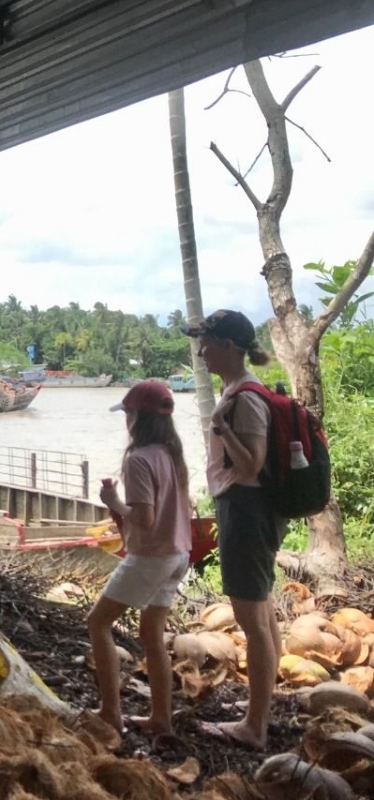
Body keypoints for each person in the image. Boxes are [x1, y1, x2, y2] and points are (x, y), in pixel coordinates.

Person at [183, 308, 280, 750]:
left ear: (227, 346)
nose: (200, 351)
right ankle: (263, 710)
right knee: (261, 613)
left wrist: (222, 426)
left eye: (206, 343)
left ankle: (254, 727)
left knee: (251, 620)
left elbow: (252, 463)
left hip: (246, 508)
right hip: (245, 507)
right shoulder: (236, 391)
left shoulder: (246, 398)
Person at [89, 380, 192, 736]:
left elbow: (144, 518)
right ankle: (161, 719)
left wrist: (114, 503)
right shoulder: (171, 455)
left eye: (128, 413)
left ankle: (110, 712)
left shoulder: (138, 460)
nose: (126, 420)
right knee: (151, 633)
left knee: (97, 623)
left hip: (152, 556)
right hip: (179, 554)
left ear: (136, 418)